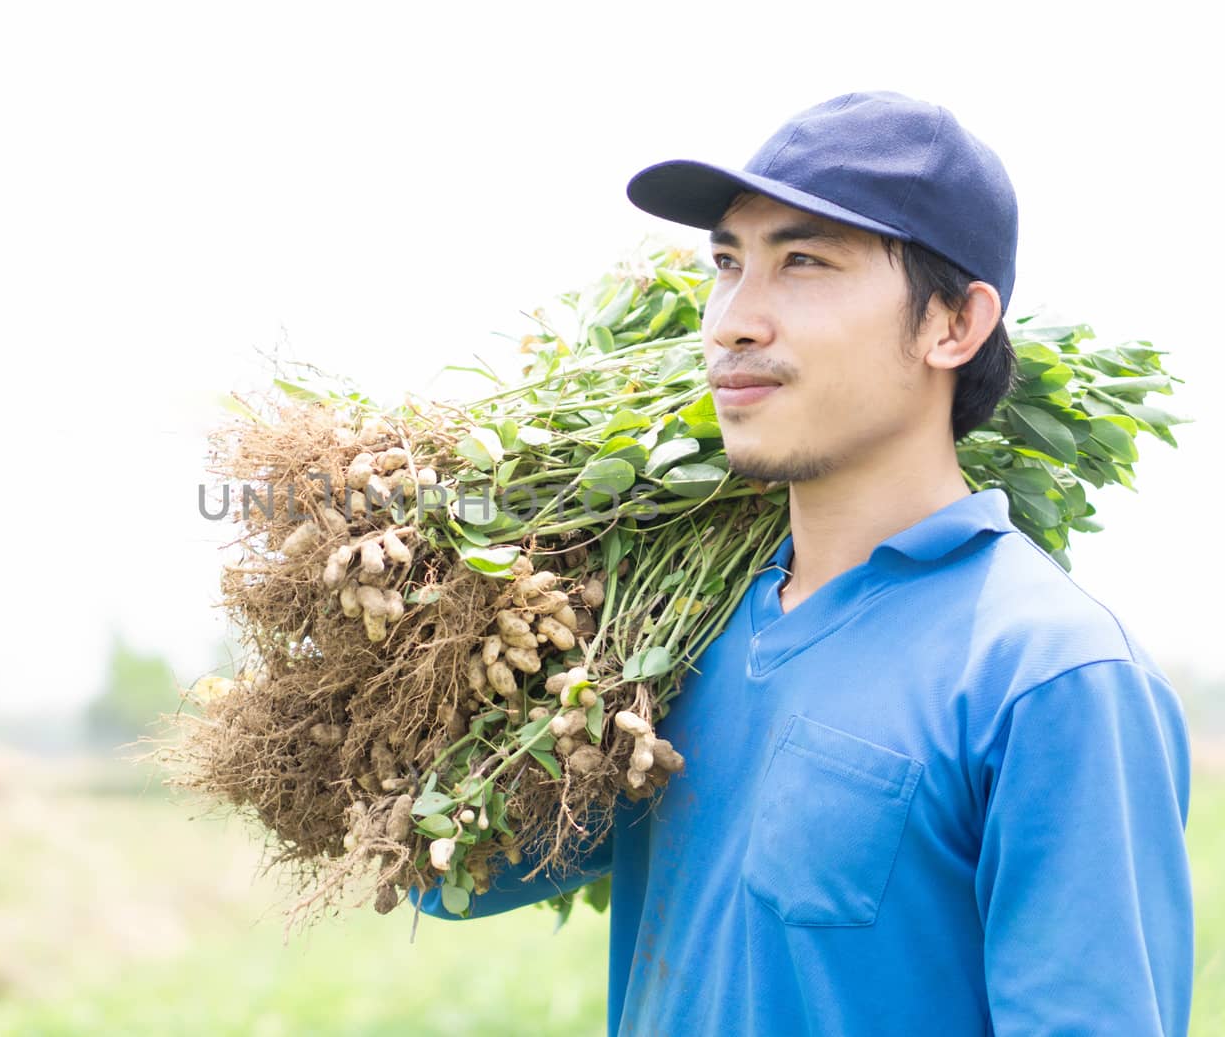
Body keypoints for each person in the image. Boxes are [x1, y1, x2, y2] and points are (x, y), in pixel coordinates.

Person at [410, 91, 1194, 1036]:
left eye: (805, 262)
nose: (736, 320)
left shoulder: (1049, 677)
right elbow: (449, 879)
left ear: (954, 324)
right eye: (728, 265)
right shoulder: (671, 643)